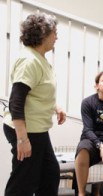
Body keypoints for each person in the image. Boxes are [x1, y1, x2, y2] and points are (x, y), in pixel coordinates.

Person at [3, 13, 66, 195]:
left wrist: (55, 107)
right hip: (26, 130)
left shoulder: (39, 59)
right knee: (24, 182)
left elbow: (37, 91)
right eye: (54, 32)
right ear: (43, 34)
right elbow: (16, 101)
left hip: (37, 129)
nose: (56, 37)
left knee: (50, 174)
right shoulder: (29, 61)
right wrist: (22, 139)